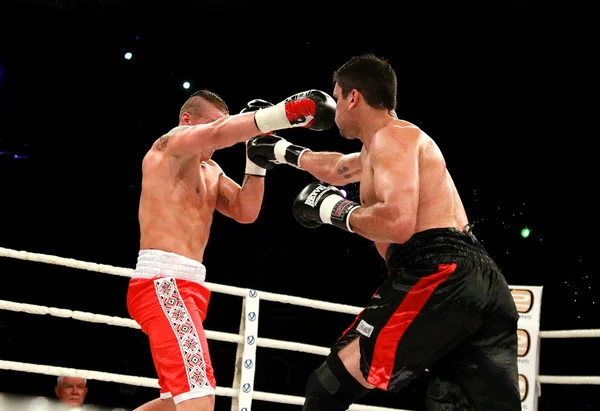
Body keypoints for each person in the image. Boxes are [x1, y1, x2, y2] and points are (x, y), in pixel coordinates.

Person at [247, 54, 521, 411]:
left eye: (336, 94)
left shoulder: (392, 138)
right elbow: (337, 168)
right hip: (480, 281)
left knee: (327, 387)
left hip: (439, 271)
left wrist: (334, 211)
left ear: (353, 97)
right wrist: (284, 152)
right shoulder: (385, 145)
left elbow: (398, 223)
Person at [126, 88, 336, 411]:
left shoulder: (213, 173)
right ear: (187, 121)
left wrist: (256, 161)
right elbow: (217, 133)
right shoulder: (167, 148)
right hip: (163, 283)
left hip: (189, 289)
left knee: (173, 402)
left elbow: (245, 211)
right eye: (214, 125)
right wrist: (277, 116)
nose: (220, 136)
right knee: (201, 396)